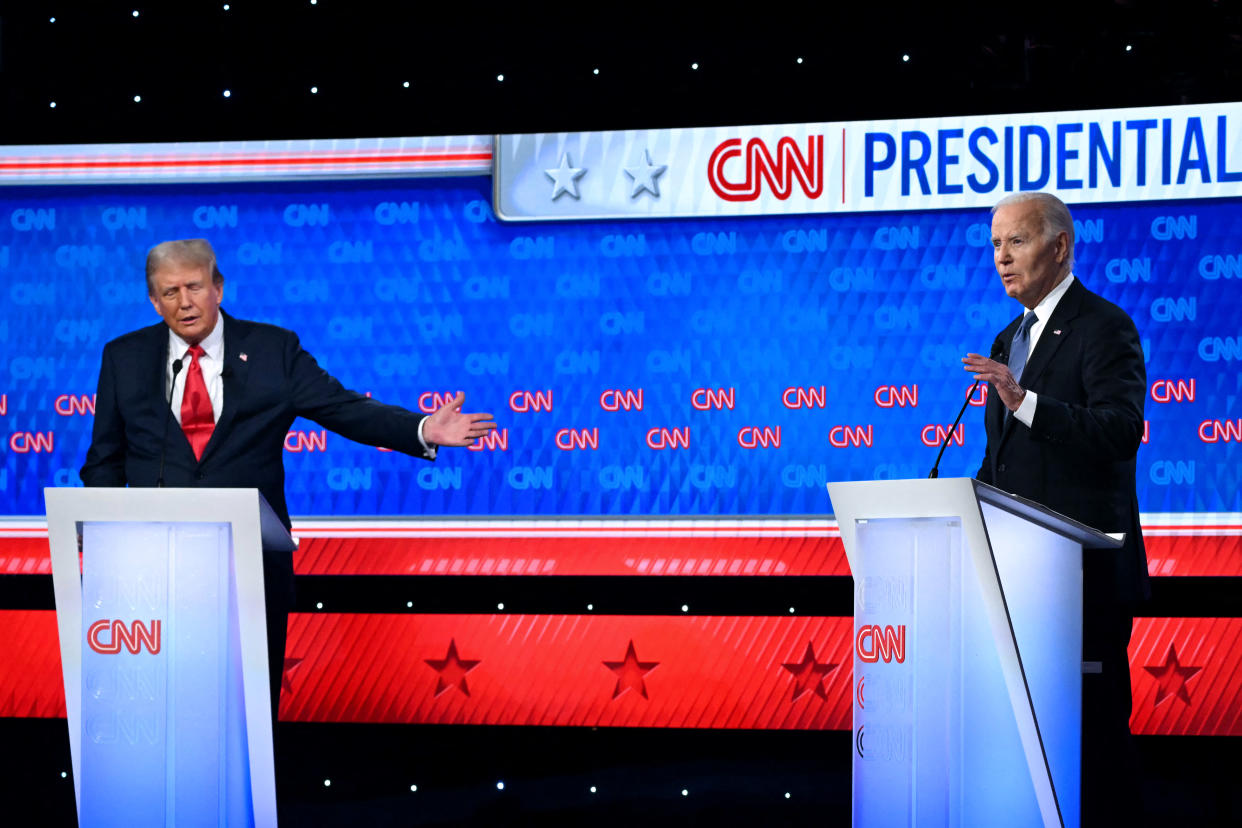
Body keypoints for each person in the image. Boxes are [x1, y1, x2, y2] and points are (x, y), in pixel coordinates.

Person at [80, 238, 496, 720]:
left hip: (249, 567)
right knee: (161, 712)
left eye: (194, 287)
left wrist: (421, 428)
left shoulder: (272, 349)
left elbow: (344, 408)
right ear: (153, 300)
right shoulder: (124, 356)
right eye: (169, 292)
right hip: (155, 572)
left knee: (247, 714)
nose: (184, 302)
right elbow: (104, 460)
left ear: (218, 288)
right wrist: (108, 542)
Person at [962, 192, 1148, 822]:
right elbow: (1004, 462)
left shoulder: (1105, 326)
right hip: (1017, 584)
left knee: (1090, 754)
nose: (1001, 259)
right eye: (994, 245)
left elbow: (1120, 430)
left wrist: (1026, 402)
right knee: (1026, 755)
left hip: (1082, 582)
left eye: (1016, 242)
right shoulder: (1006, 338)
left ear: (1059, 246)